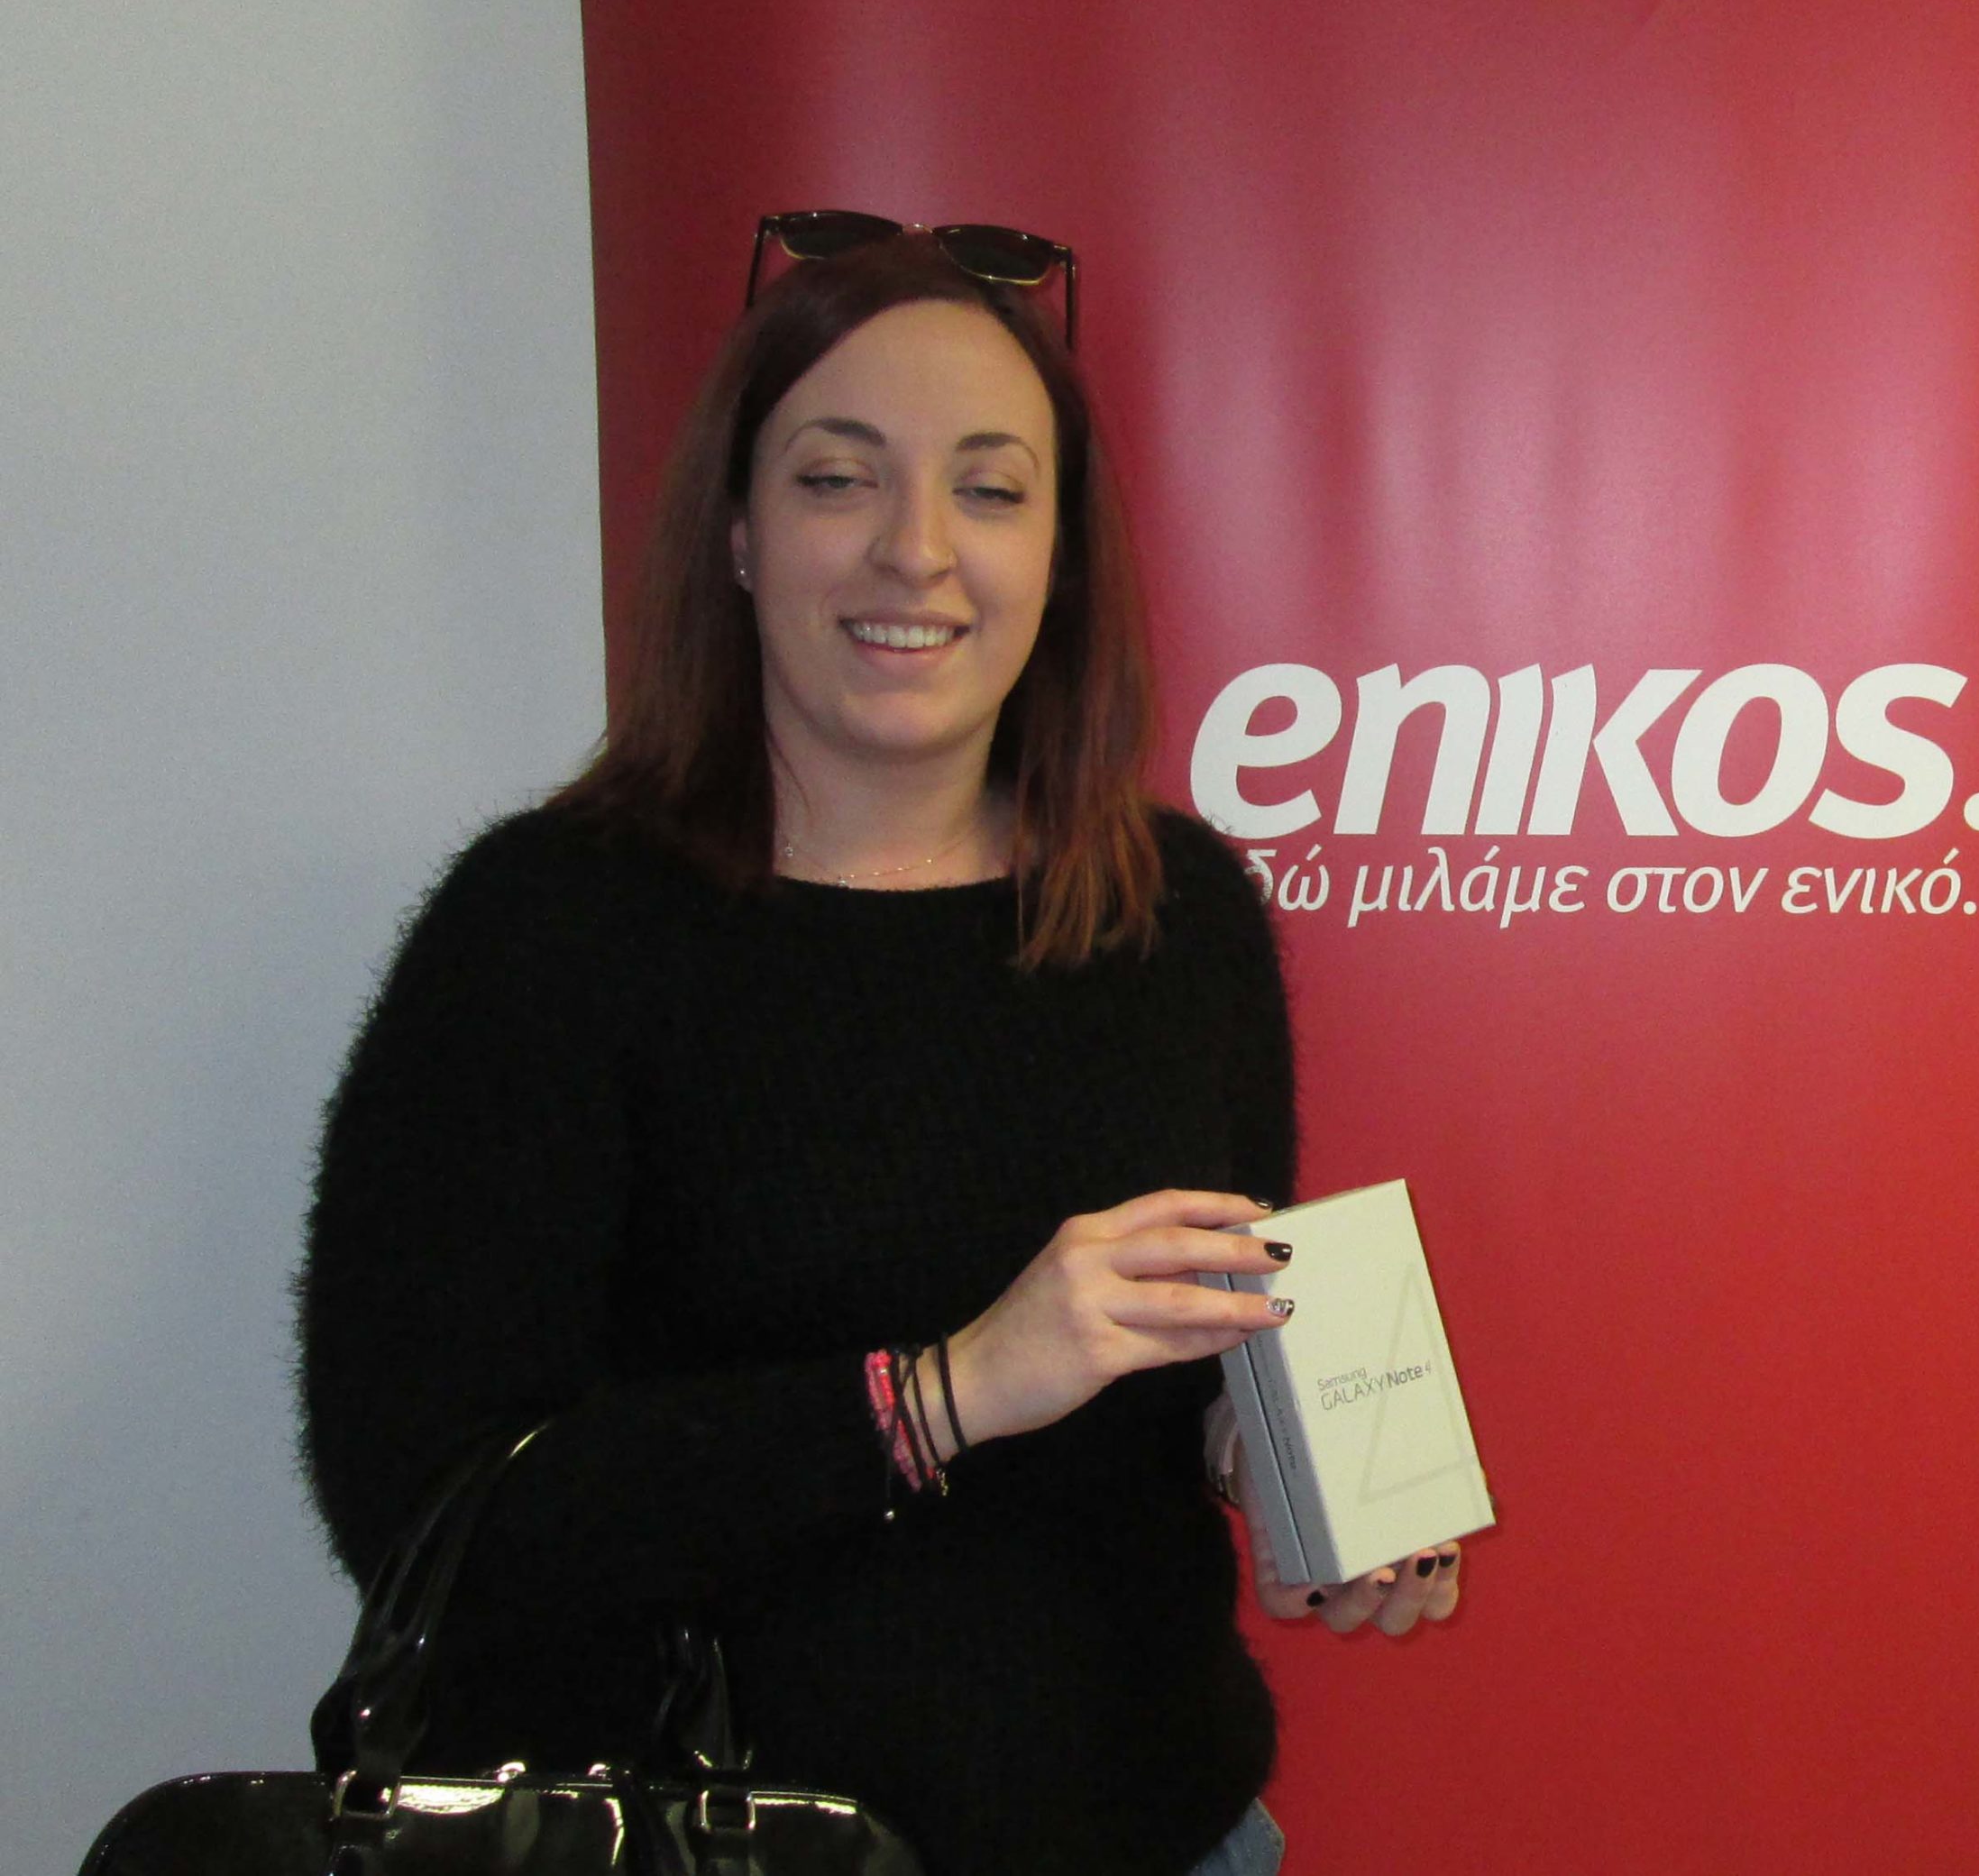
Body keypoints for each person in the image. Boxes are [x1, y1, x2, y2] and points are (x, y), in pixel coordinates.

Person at [296, 224, 1461, 1876]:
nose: (918, 552)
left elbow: (1200, 1345)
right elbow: (432, 1520)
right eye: (840, 480)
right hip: (707, 1844)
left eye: (990, 490)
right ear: (740, 535)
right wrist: (939, 1394)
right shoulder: (550, 930)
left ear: (1060, 553)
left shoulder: (1174, 910)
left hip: (1164, 1834)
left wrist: (1290, 1461)